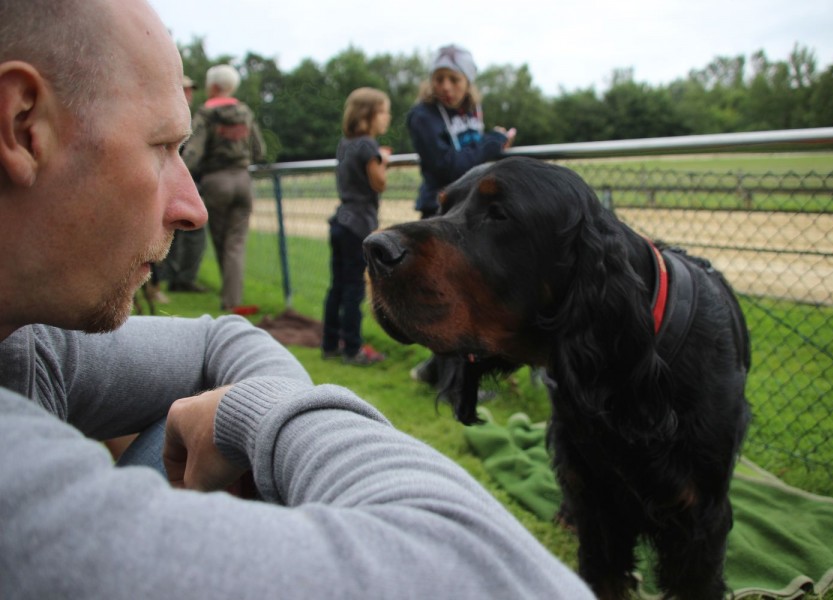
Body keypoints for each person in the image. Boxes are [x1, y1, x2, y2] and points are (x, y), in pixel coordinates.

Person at [0, 1, 593, 598]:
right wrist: (265, 420)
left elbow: (223, 339)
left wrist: (243, 411)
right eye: (161, 147)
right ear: (23, 124)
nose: (192, 208)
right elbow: (487, 573)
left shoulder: (27, 342)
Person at [406, 44, 516, 385]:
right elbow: (447, 167)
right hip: (439, 213)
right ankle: (455, 382)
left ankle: (435, 371)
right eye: (439, 78)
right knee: (448, 296)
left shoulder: (472, 110)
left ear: (468, 82)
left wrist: (491, 145)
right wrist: (491, 144)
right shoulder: (422, 116)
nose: (446, 87)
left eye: (454, 79)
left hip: (469, 213)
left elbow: (473, 162)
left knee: (466, 294)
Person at [181, 63, 265, 310]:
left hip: (216, 182)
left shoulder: (206, 114)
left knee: (221, 241)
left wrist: (181, 173)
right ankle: (232, 299)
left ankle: (230, 301)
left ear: (214, 86)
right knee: (236, 243)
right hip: (243, 181)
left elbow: (194, 151)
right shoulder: (245, 112)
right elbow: (259, 149)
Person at [322, 87, 392, 366]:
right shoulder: (368, 145)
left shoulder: (345, 143)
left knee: (337, 287)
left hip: (341, 221)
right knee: (354, 289)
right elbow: (379, 183)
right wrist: (383, 160)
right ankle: (353, 349)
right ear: (368, 115)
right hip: (358, 225)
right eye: (383, 112)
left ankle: (330, 344)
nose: (387, 118)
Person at [159, 75, 208, 294]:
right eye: (185, 89)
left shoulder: (190, 116)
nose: (189, 94)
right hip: (170, 182)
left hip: (182, 182)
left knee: (181, 233)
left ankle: (175, 279)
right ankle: (167, 280)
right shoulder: (170, 116)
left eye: (190, 90)